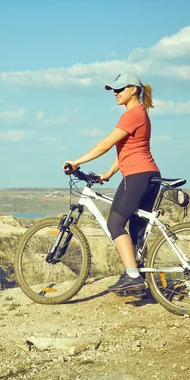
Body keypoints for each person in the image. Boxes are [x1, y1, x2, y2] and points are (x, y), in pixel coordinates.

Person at [63, 72, 161, 293]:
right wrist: (108, 173)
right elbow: (129, 149)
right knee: (136, 231)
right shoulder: (142, 114)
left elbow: (105, 145)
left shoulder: (131, 114)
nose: (116, 93)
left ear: (133, 90)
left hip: (136, 176)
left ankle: (133, 276)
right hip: (149, 175)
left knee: (115, 224)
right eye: (114, 90)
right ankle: (136, 275)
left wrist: (76, 162)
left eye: (120, 89)